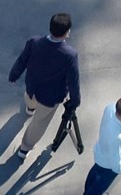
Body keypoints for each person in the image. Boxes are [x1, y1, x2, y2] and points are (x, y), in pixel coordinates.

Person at [8, 13, 81, 159]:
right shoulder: (70, 55)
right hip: (51, 96)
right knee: (39, 123)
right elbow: (73, 80)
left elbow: (22, 60)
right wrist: (75, 101)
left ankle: (30, 108)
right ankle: (24, 148)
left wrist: (14, 74)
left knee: (30, 100)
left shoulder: (34, 41)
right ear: (67, 32)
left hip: (32, 87)